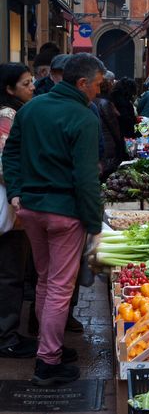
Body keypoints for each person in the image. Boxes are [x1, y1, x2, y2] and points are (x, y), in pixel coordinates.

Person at [2, 53, 105, 386]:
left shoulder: (31, 108)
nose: (99, 92)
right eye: (98, 86)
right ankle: (48, 362)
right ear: (82, 83)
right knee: (60, 287)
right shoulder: (84, 117)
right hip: (64, 214)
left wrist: (16, 192)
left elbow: (10, 154)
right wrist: (94, 223)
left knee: (46, 281)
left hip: (30, 208)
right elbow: (87, 178)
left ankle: (51, 346)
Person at [0, 63, 37, 358]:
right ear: (9, 89)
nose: (33, 87)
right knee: (10, 271)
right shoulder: (7, 115)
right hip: (8, 204)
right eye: (26, 83)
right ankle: (6, 336)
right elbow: (5, 163)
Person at [94, 71, 127, 180]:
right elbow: (114, 127)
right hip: (107, 145)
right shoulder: (105, 103)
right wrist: (122, 146)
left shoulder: (92, 101)